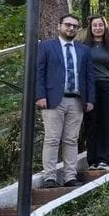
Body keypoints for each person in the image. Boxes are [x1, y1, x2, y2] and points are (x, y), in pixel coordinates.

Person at [35, 13, 94, 186]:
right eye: (68, 25)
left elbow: (89, 76)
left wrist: (90, 99)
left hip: (76, 101)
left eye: (75, 26)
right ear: (59, 26)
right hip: (53, 99)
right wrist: (40, 95)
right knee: (52, 139)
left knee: (71, 140)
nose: (71, 28)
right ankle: (50, 177)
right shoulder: (46, 47)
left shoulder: (84, 50)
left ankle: (70, 177)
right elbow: (39, 72)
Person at [82, 15, 109, 171]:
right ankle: (93, 160)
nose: (97, 28)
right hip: (90, 87)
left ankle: (106, 159)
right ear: (90, 28)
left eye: (100, 25)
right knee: (91, 124)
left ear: (105, 27)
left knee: (108, 123)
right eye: (94, 25)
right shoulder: (84, 47)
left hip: (108, 86)